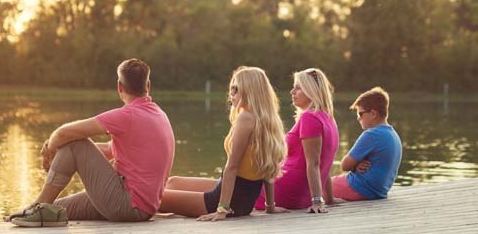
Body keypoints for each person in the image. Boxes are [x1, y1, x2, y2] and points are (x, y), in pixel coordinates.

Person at [4, 58, 175, 224]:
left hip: (127, 204)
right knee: (57, 208)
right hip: (140, 207)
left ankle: (37, 206)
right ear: (148, 86)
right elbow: (109, 149)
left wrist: (50, 148)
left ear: (119, 87)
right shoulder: (158, 114)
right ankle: (40, 209)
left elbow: (64, 134)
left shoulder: (127, 116)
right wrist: (63, 156)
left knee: (75, 142)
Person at [159, 67, 287, 221]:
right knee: (172, 182)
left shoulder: (246, 118)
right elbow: (268, 167)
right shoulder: (267, 120)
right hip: (244, 199)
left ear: (249, 91)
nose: (231, 94)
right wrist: (270, 206)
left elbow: (232, 167)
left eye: (235, 89)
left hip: (228, 201)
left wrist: (222, 209)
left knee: (154, 197)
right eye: (231, 89)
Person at [254, 68, 340, 213]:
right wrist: (329, 199)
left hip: (285, 192)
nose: (292, 92)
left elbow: (314, 163)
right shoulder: (328, 118)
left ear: (311, 91)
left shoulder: (310, 118)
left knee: (222, 187)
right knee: (216, 186)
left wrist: (318, 201)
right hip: (298, 195)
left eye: (298, 88)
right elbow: (326, 164)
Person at [332, 87, 402, 201]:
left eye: (360, 113)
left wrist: (353, 165)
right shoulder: (393, 134)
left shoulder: (371, 134)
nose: (358, 118)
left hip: (360, 188)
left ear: (373, 113)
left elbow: (344, 165)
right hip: (379, 191)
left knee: (322, 184)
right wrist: (356, 165)